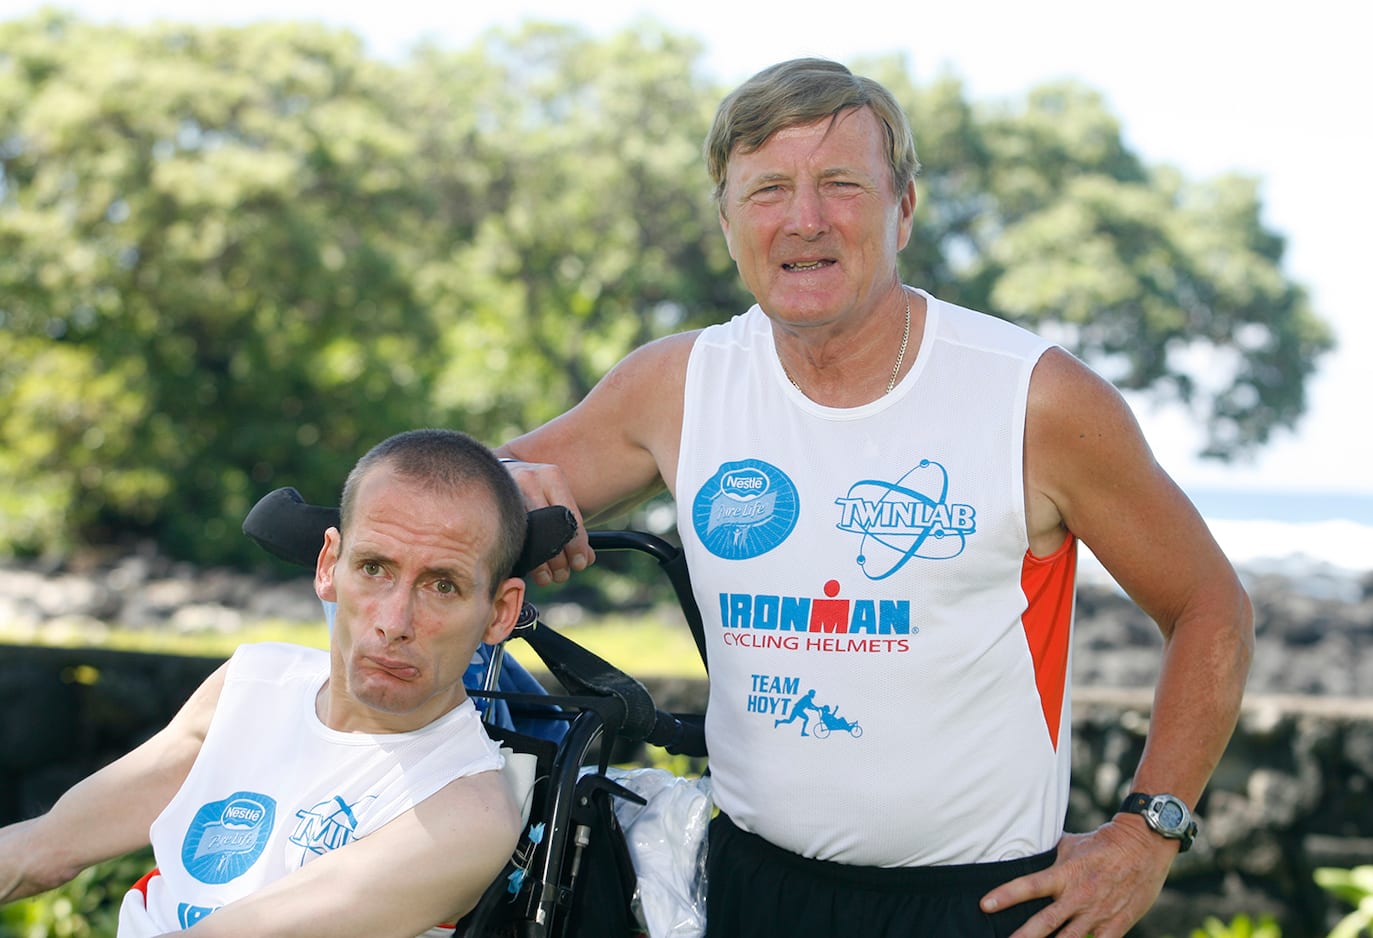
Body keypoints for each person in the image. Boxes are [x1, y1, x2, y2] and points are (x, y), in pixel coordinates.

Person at [496, 57, 1255, 938]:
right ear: (729, 218)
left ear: (904, 209)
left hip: (978, 907)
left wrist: (1147, 833)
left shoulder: (1033, 398)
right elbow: (456, 492)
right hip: (748, 892)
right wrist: (512, 488)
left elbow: (1210, 605)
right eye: (769, 188)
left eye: (842, 185)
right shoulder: (680, 384)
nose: (805, 219)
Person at [0, 429, 528, 937]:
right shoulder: (254, 685)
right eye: (373, 568)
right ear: (328, 566)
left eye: (442, 585)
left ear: (499, 613)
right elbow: (40, 851)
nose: (395, 621)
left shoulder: (465, 811)